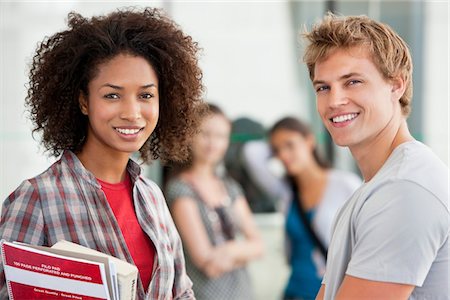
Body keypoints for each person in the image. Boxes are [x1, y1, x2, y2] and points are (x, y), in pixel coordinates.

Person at [0, 8, 205, 299]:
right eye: (112, 95)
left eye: (146, 95)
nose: (132, 113)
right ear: (84, 101)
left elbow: (181, 292)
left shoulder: (152, 197)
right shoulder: (37, 197)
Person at [303, 13, 449, 300]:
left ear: (397, 85)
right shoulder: (377, 188)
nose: (334, 101)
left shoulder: (405, 188)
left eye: (353, 82)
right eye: (323, 87)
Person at [165, 104, 264, 300]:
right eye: (205, 133)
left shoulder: (229, 186)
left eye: (221, 136)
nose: (213, 143)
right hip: (205, 294)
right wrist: (242, 252)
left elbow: (259, 245)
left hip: (244, 292)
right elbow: (206, 263)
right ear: (190, 135)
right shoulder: (180, 189)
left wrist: (229, 250)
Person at [269, 116, 361, 300]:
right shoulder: (287, 192)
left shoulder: (345, 184)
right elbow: (251, 153)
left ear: (309, 140)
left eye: (289, 145)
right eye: (276, 150)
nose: (283, 156)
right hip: (293, 292)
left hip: (330, 293)